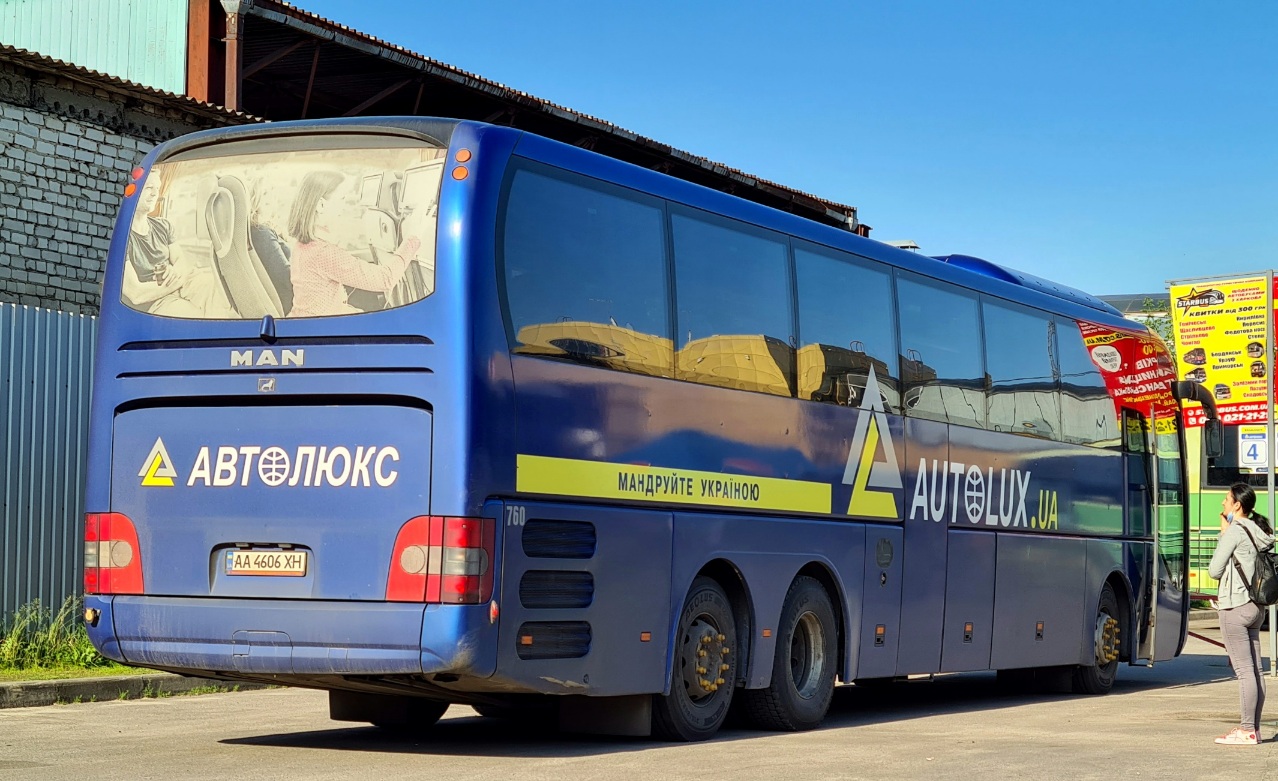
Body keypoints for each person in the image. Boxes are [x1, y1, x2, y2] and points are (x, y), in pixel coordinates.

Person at [286, 170, 421, 318]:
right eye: (342, 198)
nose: (344, 207)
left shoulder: (303, 245)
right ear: (321, 205)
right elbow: (385, 279)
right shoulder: (323, 253)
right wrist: (414, 237)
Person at [1208, 482, 1275, 745]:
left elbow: (1215, 570)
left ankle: (1247, 730)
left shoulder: (1236, 530)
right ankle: (1254, 729)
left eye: (1226, 499)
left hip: (1234, 606)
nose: (1223, 504)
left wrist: (1224, 534)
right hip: (1256, 607)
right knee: (1256, 671)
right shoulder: (1259, 530)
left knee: (1245, 672)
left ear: (1238, 505)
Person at [121, 170, 227, 317]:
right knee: (195, 319)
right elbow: (136, 294)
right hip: (157, 299)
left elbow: (181, 262)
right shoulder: (124, 237)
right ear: (131, 192)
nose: (154, 194)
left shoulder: (163, 226)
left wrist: (176, 271)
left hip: (183, 283)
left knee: (219, 294)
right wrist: (175, 282)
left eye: (157, 189)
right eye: (149, 188)